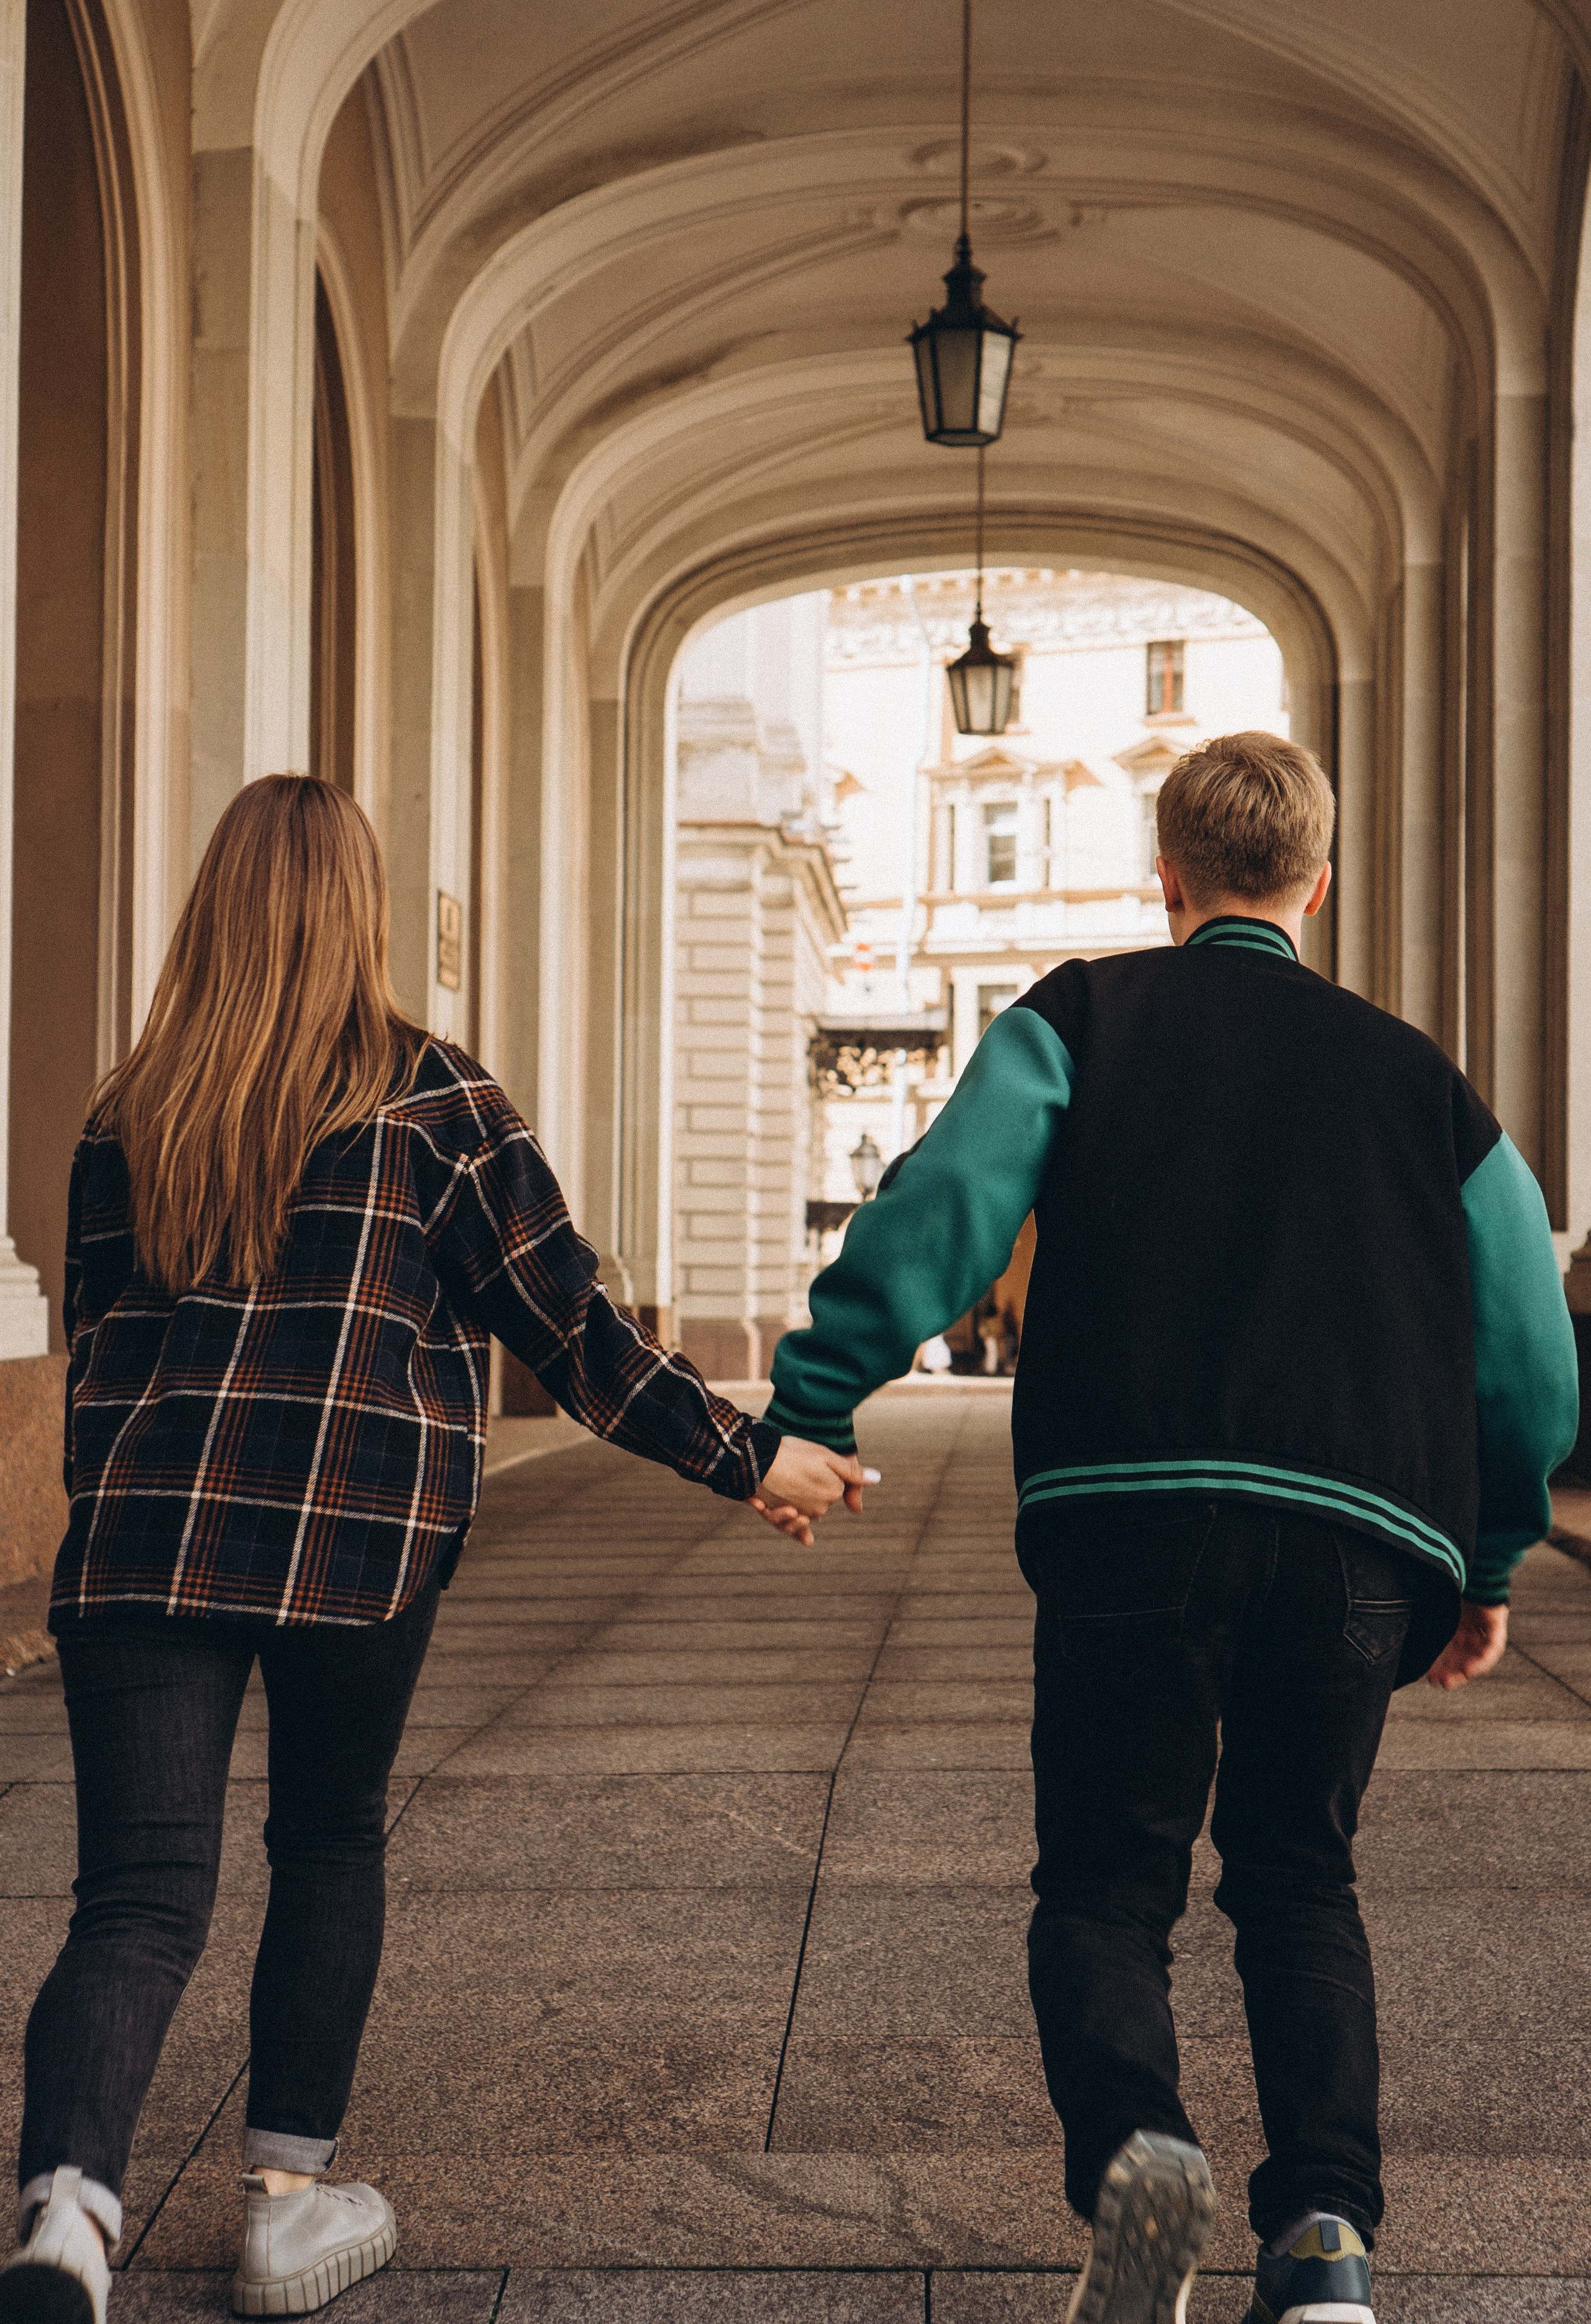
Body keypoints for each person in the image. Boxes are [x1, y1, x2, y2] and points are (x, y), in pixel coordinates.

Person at [0, 774, 863, 2324]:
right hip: (354, 1538)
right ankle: (281, 2206)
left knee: (136, 1894)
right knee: (325, 1842)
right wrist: (747, 1460)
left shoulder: (133, 1107)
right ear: (362, 912)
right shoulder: (440, 1105)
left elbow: (93, 1335)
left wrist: (110, 1503)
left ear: (211, 909)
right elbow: (573, 1334)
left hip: (146, 1542)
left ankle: (66, 2217)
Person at [761, 732, 1578, 2324]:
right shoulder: (1422, 1082)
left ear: (1167, 875)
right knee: (1296, 1877)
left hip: (1128, 1512)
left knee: (1102, 1882)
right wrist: (1487, 1558)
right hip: (1354, 1531)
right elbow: (1528, 1352)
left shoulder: (1083, 1014)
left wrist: (819, 1390)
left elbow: (944, 1206)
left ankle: (1137, 2146)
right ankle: (1328, 2238)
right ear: (1315, 886)